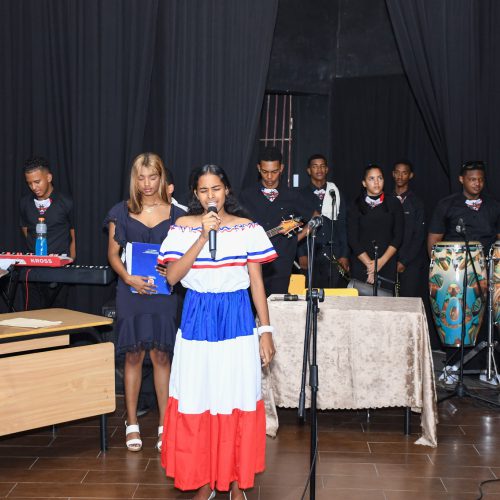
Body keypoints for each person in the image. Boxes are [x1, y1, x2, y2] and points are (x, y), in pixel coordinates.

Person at [158, 164, 276, 500]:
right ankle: (205, 481)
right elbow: (172, 277)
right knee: (199, 396)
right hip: (198, 315)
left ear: (227, 190)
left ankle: (237, 482)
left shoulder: (247, 228)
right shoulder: (183, 227)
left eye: (217, 189)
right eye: (204, 190)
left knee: (236, 395)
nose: (211, 196)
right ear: (195, 194)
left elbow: (256, 283)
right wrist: (201, 237)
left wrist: (265, 330)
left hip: (237, 316)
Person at [103, 152, 185, 453]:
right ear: (134, 180)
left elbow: (185, 255)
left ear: (162, 178)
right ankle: (132, 422)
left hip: (164, 292)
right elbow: (112, 254)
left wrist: (173, 269)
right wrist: (128, 278)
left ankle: (165, 424)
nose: (147, 183)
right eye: (141, 177)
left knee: (162, 356)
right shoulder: (120, 211)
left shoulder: (178, 215)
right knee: (133, 355)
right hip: (131, 291)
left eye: (153, 177)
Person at [239, 146, 311, 295]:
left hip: (282, 263)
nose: (270, 177)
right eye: (265, 172)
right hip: (253, 262)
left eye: (274, 172)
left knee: (277, 305)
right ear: (258, 168)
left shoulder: (293, 196)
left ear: (281, 168)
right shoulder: (246, 196)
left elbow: (315, 217)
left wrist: (296, 238)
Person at [19, 156, 76, 309]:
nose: (33, 187)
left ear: (49, 177)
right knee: (32, 314)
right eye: (29, 183)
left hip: (58, 270)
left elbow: (74, 235)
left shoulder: (66, 202)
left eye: (37, 182)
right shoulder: (24, 203)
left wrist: (70, 260)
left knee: (57, 314)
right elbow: (26, 231)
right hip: (33, 270)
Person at [347, 164, 404, 290]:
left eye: (380, 178)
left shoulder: (394, 203)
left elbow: (398, 236)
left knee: (385, 300)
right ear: (364, 183)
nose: (376, 182)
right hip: (362, 264)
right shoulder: (355, 205)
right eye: (371, 178)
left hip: (387, 262)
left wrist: (380, 263)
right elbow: (352, 239)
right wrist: (370, 266)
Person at [298, 154, 349, 288]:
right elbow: (298, 226)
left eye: (322, 166)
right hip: (311, 253)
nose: (319, 169)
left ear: (327, 169)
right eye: (315, 166)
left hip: (333, 253)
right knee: (311, 293)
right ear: (309, 170)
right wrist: (301, 254)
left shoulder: (336, 193)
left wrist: (344, 254)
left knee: (334, 294)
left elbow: (342, 226)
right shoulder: (300, 195)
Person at [428, 161, 500, 254]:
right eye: (472, 179)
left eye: (481, 179)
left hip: (487, 261)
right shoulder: (446, 205)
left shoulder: (494, 205)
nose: (477, 183)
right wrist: (437, 262)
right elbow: (434, 239)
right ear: (461, 179)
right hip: (455, 261)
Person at [391, 160, 427, 296]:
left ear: (410, 175)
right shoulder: (386, 200)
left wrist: (404, 262)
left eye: (404, 173)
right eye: (397, 172)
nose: (400, 176)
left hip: (410, 263)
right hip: (387, 261)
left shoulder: (417, 203)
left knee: (408, 301)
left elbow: (419, 236)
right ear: (393, 174)